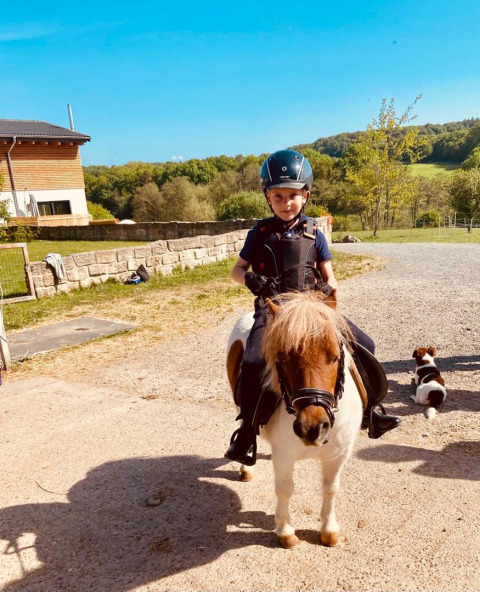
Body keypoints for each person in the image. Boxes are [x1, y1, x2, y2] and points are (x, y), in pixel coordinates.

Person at [225, 149, 401, 466]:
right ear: (267, 197)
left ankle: (372, 412)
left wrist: (328, 290)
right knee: (251, 363)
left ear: (305, 195)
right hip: (274, 311)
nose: (285, 202)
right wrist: (252, 281)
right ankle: (248, 433)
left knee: (366, 344)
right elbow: (237, 271)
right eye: (278, 196)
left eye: (292, 195)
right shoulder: (259, 234)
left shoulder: (314, 234)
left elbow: (330, 277)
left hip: (312, 309)